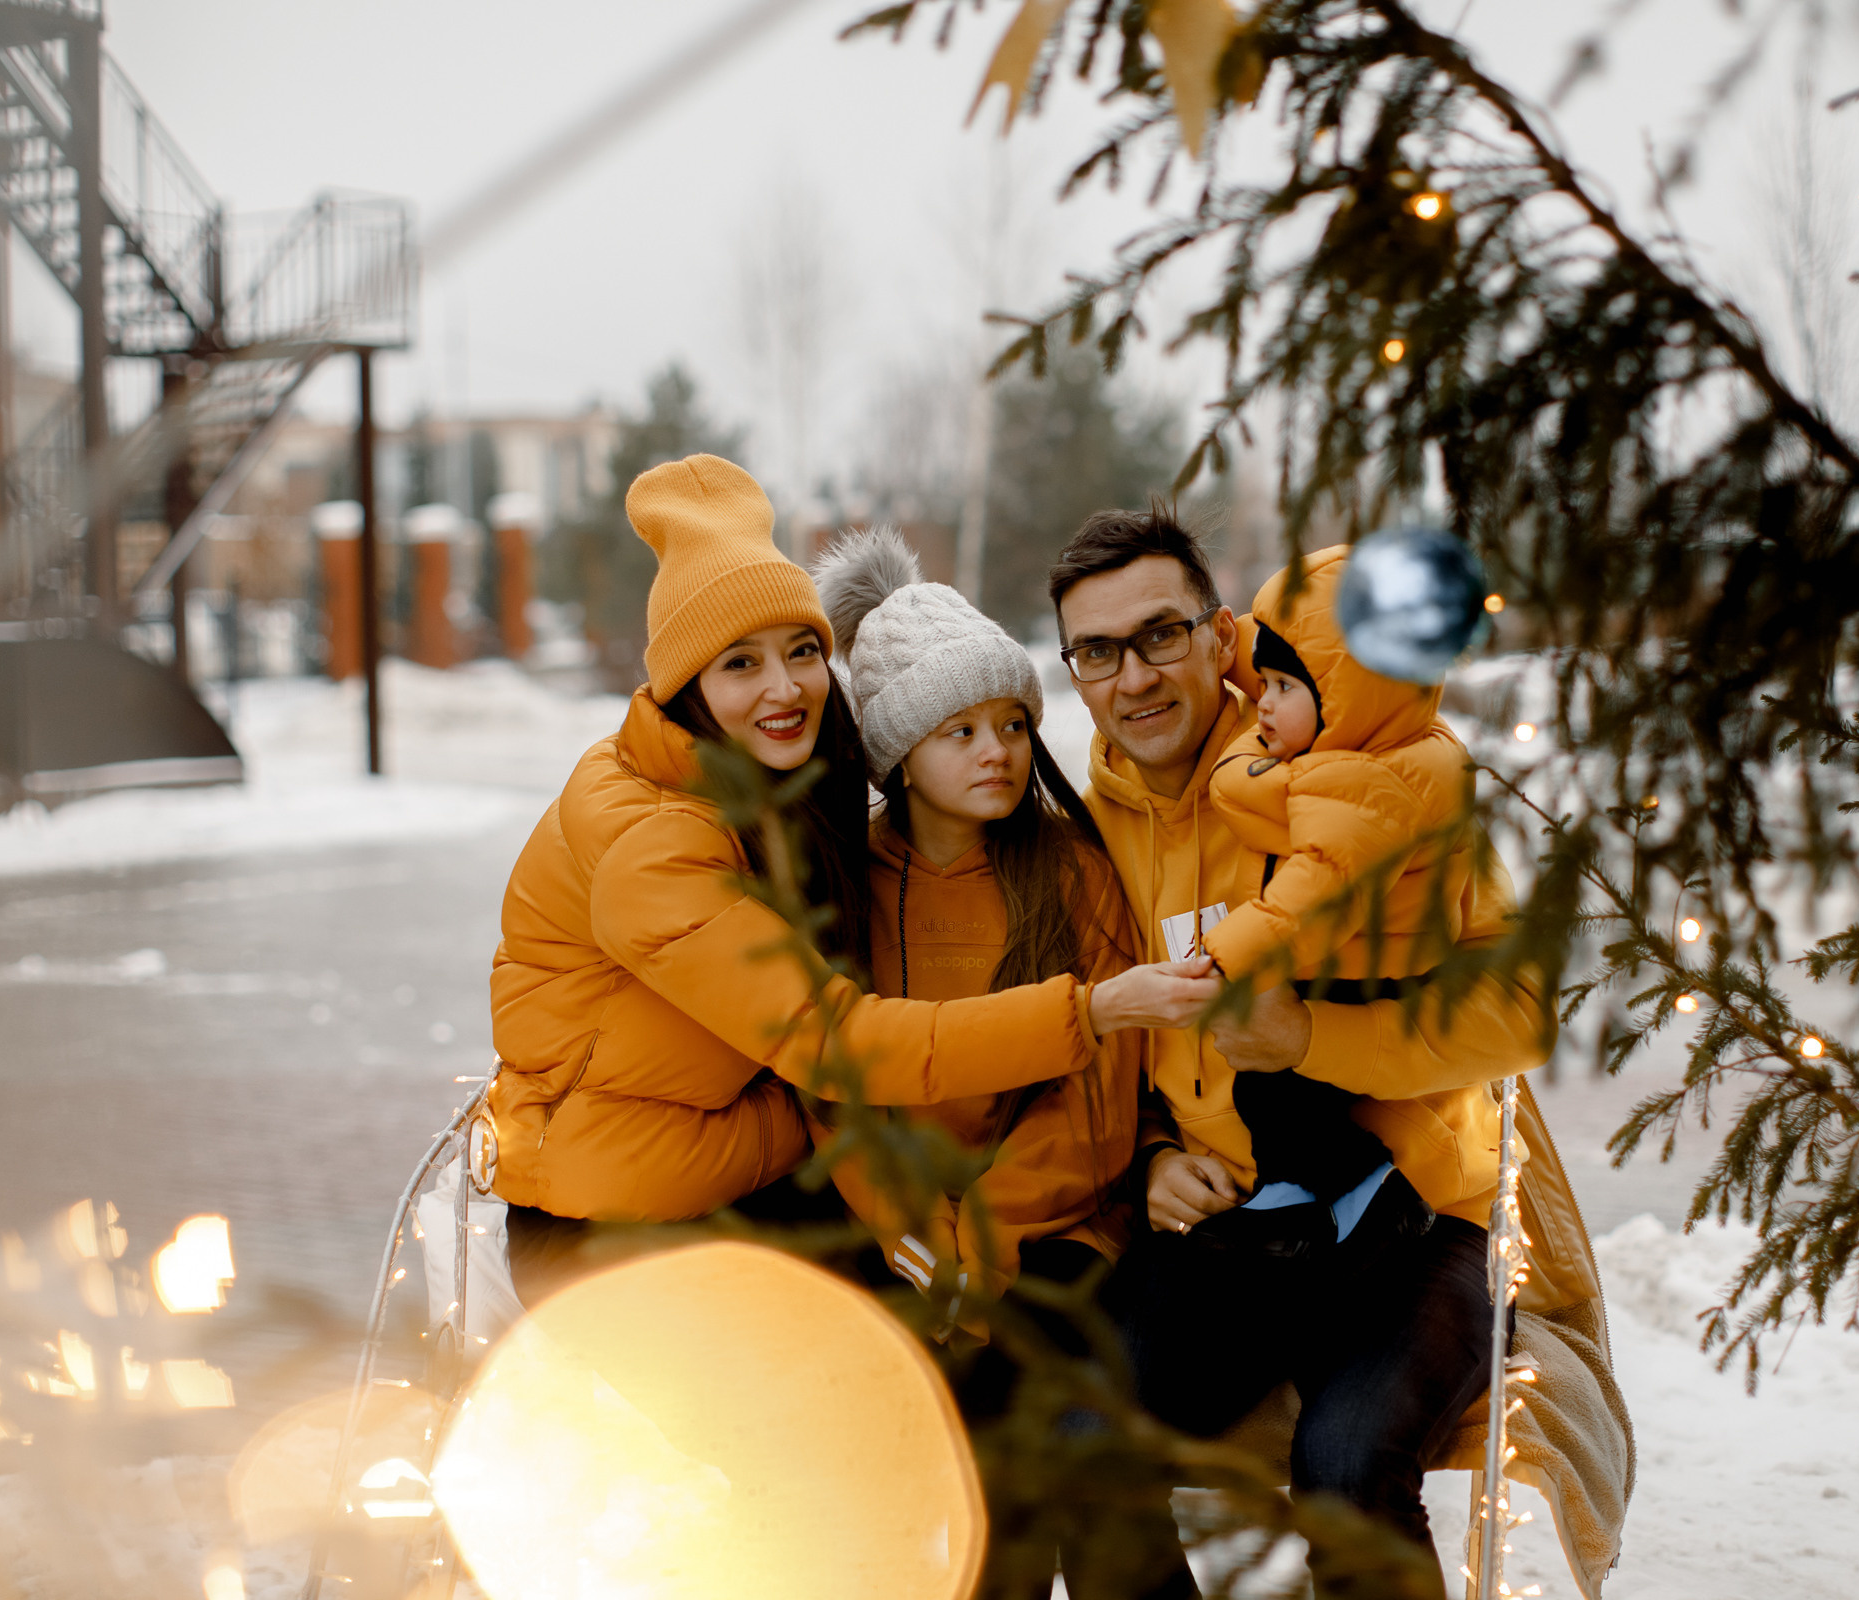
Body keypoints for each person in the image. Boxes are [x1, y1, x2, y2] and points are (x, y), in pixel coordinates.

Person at [480, 457, 1216, 1301]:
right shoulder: (654, 841)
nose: (786, 686)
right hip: (610, 1224)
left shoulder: (775, 796)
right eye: (740, 664)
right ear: (685, 685)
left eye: (800, 651)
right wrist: (1088, 1010)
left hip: (734, 1179)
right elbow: (836, 1049)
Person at [1047, 506, 1599, 1582]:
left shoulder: (1366, 769)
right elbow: (1100, 1046)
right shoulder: (1087, 832)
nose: (1135, 677)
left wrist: (1310, 1035)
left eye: (1160, 634)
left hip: (1414, 1210)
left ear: (1220, 638)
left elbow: (1518, 1009)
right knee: (1074, 1445)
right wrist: (1155, 1155)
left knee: (1345, 1463)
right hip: (1231, 1226)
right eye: (1097, 651)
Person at [810, 527, 1146, 1319]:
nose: (996, 751)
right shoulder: (847, 885)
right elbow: (831, 1092)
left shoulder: (1074, 872)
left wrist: (987, 1239)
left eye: (1012, 724)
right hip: (898, 1225)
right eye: (960, 732)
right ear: (898, 754)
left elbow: (1098, 1094)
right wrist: (920, 1235)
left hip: (1054, 1227)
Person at [1195, 545, 1487, 1229]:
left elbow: (1309, 894)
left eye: (1281, 689)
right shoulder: (1373, 737)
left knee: (1275, 1095)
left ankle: (1363, 1189)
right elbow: (1309, 659)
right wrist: (1233, 644)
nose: (1260, 705)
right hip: (1362, 960)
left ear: (1344, 693)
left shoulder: (1358, 788)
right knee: (1283, 1096)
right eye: (1260, 683)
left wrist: (1226, 951)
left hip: (1359, 975)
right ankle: (1305, 1189)